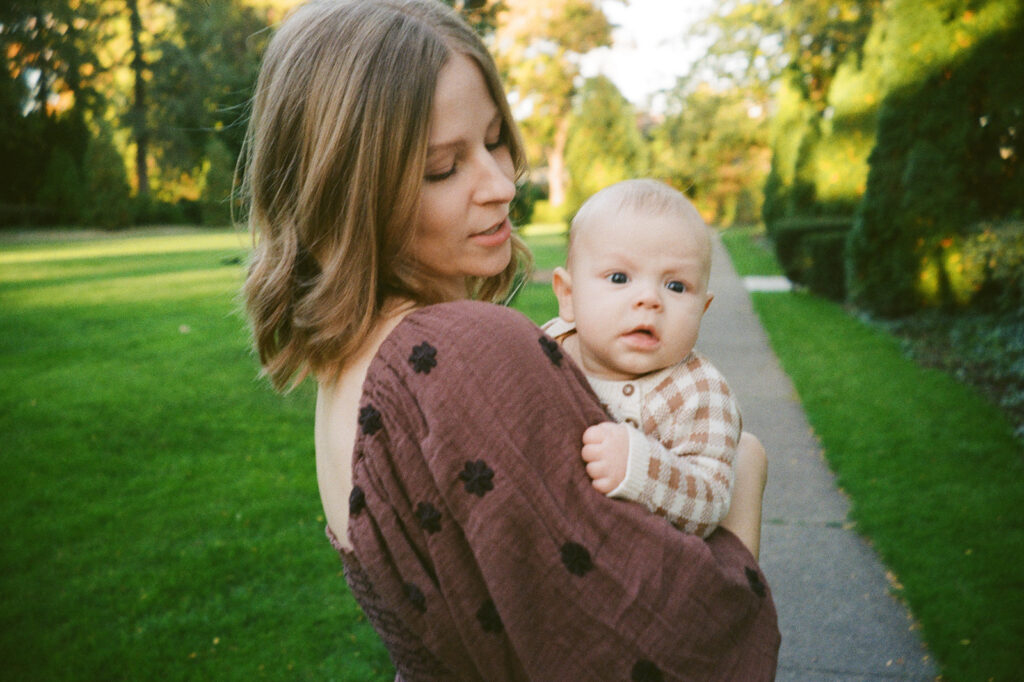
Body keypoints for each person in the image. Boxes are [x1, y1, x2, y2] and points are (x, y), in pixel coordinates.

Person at [241, 0, 779, 679]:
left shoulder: (353, 364)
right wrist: (745, 482)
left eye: (495, 140)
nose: (501, 184)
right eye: (443, 167)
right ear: (351, 192)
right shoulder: (461, 353)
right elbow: (688, 647)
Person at [543, 179, 766, 558]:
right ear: (568, 295)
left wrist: (640, 467)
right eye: (619, 278)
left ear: (702, 310)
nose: (649, 299)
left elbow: (712, 501)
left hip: (644, 567)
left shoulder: (701, 394)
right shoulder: (546, 349)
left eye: (676, 286)